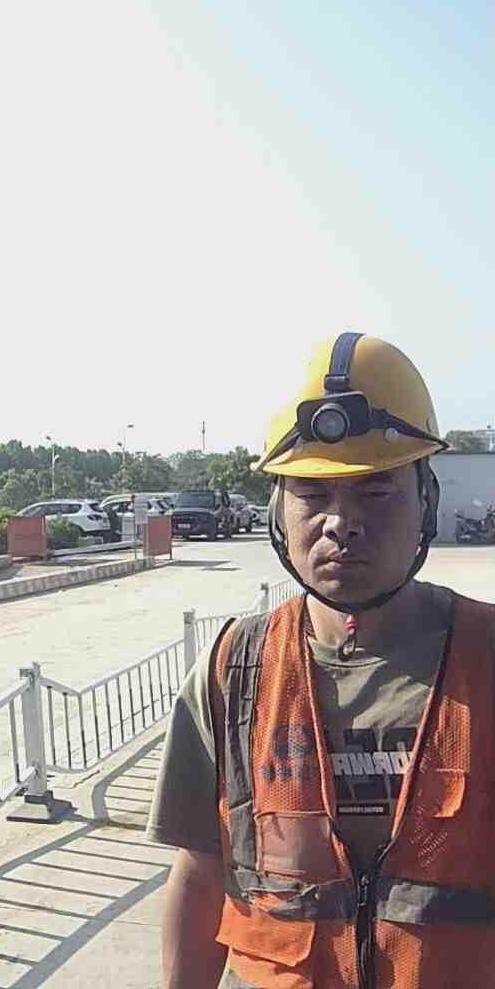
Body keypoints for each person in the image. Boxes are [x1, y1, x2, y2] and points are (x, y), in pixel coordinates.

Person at [146, 332, 495, 989]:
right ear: (278, 511)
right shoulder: (232, 673)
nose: (341, 522)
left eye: (376, 491)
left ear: (426, 499)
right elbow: (200, 874)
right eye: (313, 493)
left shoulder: (489, 657)